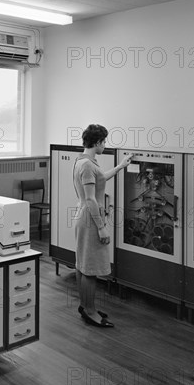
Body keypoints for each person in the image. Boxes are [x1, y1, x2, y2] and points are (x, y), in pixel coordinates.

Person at [73, 124, 133, 328]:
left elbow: (99, 180)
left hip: (83, 216)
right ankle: (90, 312)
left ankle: (85, 306)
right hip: (91, 219)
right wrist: (101, 227)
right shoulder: (88, 165)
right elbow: (91, 199)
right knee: (90, 269)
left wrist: (120, 166)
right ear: (97, 142)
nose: (105, 145)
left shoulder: (84, 161)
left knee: (82, 265)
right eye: (104, 141)